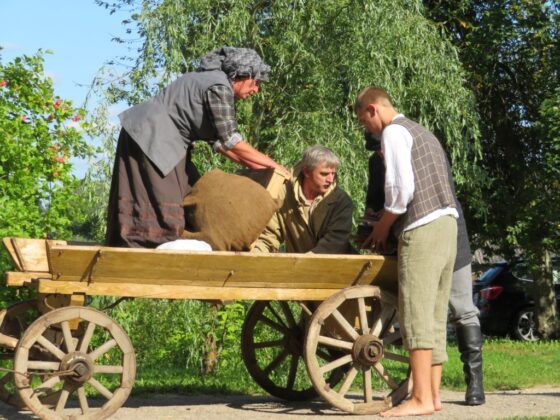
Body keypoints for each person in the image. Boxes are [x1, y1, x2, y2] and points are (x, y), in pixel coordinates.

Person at [105, 46, 290, 248]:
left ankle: (148, 247)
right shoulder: (219, 86)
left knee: (187, 189)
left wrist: (263, 169)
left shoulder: (212, 81)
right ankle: (151, 254)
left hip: (145, 131)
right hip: (155, 134)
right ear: (242, 74)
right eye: (256, 83)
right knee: (164, 203)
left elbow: (222, 145)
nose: (256, 90)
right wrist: (276, 167)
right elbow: (232, 141)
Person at [360, 132, 485, 406]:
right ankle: (427, 390)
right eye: (377, 150)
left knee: (463, 308)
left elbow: (426, 201)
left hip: (448, 236)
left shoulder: (419, 153)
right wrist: (372, 218)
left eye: (381, 148)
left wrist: (388, 219)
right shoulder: (377, 162)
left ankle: (474, 381)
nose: (381, 154)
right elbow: (375, 200)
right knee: (421, 311)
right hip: (410, 241)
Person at [355, 87, 458, 417]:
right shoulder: (423, 132)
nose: (368, 129)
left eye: (364, 121)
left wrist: (381, 228)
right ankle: (433, 397)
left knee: (414, 314)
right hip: (448, 226)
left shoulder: (394, 132)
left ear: (373, 109)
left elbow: (401, 191)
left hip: (422, 228)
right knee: (435, 316)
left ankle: (420, 398)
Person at [252, 145, 353, 254]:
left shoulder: (341, 201)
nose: (330, 179)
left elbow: (334, 244)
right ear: (307, 172)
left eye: (333, 174)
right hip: (298, 263)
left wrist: (304, 261)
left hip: (336, 264)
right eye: (324, 174)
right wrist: (253, 257)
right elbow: (268, 237)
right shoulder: (283, 195)